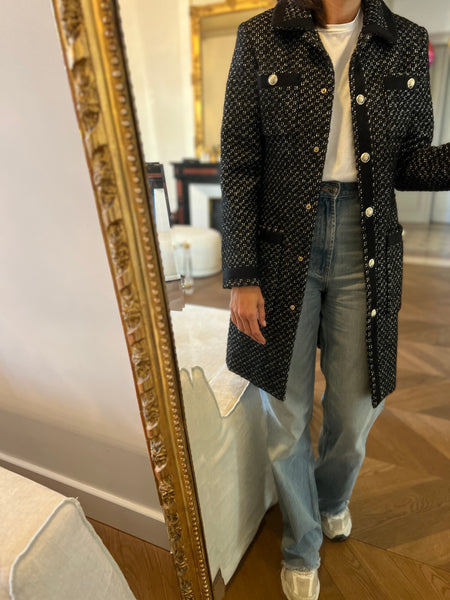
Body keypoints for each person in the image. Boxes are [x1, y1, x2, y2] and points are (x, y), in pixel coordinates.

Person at [220, 0, 450, 598]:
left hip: (365, 241)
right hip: (279, 243)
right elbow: (239, 164)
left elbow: (412, 162)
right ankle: (301, 543)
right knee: (286, 411)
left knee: (355, 409)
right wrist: (241, 273)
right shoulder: (260, 36)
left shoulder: (405, 41)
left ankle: (328, 498)